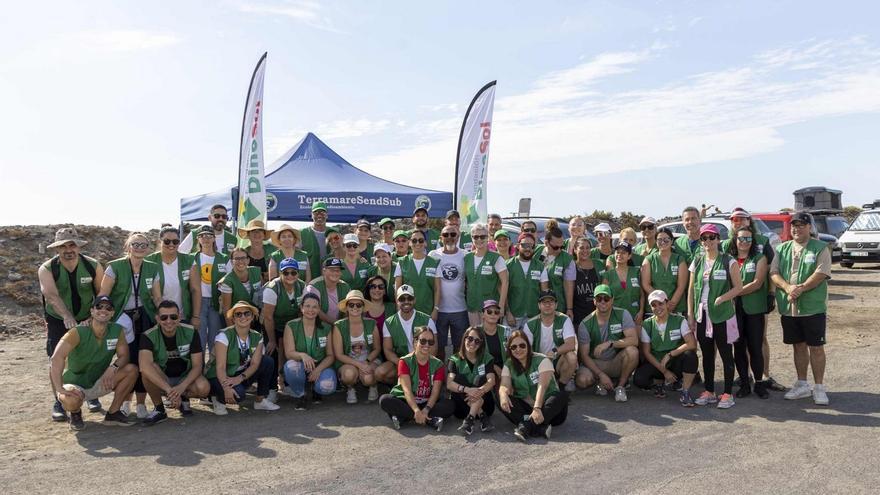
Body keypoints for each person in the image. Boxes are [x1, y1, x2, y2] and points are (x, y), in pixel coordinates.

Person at [39, 227, 105, 421]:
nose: (68, 249)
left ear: (78, 246)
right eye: (63, 246)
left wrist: (93, 317)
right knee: (56, 359)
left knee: (89, 357)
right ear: (56, 249)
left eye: (72, 244)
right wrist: (67, 316)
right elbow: (50, 294)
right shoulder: (47, 268)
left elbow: (101, 293)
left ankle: (90, 396)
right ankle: (59, 401)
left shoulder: (93, 265)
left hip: (87, 317)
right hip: (58, 319)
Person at [770, 211, 832, 405]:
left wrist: (800, 289)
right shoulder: (782, 248)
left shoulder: (820, 248)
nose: (796, 229)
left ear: (809, 227)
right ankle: (802, 384)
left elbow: (821, 273)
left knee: (816, 347)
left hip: (812, 308)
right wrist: (788, 287)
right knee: (798, 346)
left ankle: (819, 387)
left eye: (801, 225)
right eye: (794, 225)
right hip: (790, 308)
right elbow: (774, 272)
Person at [50, 296, 139, 430]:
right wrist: (59, 388)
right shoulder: (77, 331)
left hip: (100, 380)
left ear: (113, 313)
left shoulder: (117, 330)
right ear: (92, 311)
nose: (103, 310)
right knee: (71, 401)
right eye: (99, 307)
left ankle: (113, 414)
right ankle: (75, 413)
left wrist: (113, 367)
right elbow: (56, 358)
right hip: (75, 383)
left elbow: (124, 355)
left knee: (131, 370)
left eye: (108, 308)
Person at [99, 232, 160, 419]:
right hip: (121, 318)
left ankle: (141, 403)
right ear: (128, 247)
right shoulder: (114, 267)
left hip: (144, 316)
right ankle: (125, 402)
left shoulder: (152, 267)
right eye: (135, 244)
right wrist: (102, 318)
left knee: (144, 360)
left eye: (144, 244)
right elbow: (103, 295)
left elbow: (157, 297)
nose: (140, 248)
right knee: (127, 359)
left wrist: (163, 314)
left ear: (149, 248)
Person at [721, 208, 784, 391]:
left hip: (756, 303)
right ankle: (744, 378)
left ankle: (763, 377)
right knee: (738, 344)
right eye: (735, 220)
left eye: (742, 219)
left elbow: (772, 271)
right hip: (733, 307)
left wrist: (771, 294)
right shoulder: (726, 246)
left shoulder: (763, 243)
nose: (738, 222)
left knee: (759, 340)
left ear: (749, 221)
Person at [688, 224, 743, 409]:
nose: (708, 242)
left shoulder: (729, 261)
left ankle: (727, 393)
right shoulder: (697, 260)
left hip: (722, 315)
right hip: (702, 315)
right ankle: (709, 391)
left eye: (711, 238)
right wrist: (690, 313)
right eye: (704, 238)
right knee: (707, 354)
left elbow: (738, 287)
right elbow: (690, 290)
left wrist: (723, 298)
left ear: (718, 239)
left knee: (727, 354)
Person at [138, 301, 211, 425]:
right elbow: (144, 367)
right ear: (157, 319)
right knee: (148, 371)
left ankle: (183, 398)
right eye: (163, 317)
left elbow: (198, 366)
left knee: (204, 388)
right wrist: (169, 390)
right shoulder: (148, 335)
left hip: (184, 379)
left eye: (173, 317)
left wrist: (180, 388)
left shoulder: (191, 331)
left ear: (180, 316)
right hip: (163, 379)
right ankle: (159, 409)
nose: (168, 321)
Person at [206, 301, 279, 415]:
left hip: (238, 374)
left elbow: (255, 364)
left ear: (252, 316)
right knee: (239, 395)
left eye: (247, 313)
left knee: (267, 361)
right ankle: (216, 397)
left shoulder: (257, 336)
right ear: (233, 318)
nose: (243, 317)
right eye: (238, 314)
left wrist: (240, 378)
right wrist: (226, 388)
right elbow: (220, 367)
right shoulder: (224, 336)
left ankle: (260, 400)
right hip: (219, 375)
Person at [498, 330, 568, 443]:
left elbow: (542, 386)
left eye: (522, 345)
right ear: (510, 350)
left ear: (528, 346)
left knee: (562, 395)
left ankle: (526, 426)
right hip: (527, 408)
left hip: (549, 411)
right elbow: (505, 385)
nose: (518, 349)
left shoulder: (542, 359)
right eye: (514, 347)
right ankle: (540, 429)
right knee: (501, 396)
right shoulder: (509, 364)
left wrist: (537, 408)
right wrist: (503, 394)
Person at [378, 327, 453, 431]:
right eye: (423, 341)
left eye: (430, 342)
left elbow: (435, 392)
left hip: (427, 403)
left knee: (450, 405)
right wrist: (416, 410)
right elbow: (407, 390)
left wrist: (426, 409)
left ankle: (404, 418)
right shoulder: (404, 361)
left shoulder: (438, 364)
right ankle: (430, 420)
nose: (426, 345)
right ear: (415, 341)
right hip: (406, 400)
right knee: (385, 400)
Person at [633, 290, 699, 406]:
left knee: (691, 356)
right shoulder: (647, 324)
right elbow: (647, 352)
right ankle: (659, 383)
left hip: (674, 361)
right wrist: (664, 371)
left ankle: (685, 392)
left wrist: (670, 354)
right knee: (639, 379)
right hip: (657, 364)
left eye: (660, 303)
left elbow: (692, 343)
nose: (657, 307)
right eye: (653, 305)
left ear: (667, 303)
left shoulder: (679, 320)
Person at [575, 284, 639, 401]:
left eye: (606, 298)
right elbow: (584, 356)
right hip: (596, 363)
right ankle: (600, 382)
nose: (603, 302)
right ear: (594, 301)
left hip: (615, 361)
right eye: (599, 299)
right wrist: (600, 374)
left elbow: (634, 340)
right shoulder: (585, 323)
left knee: (633, 351)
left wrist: (611, 343)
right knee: (582, 381)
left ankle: (621, 386)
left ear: (612, 299)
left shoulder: (623, 314)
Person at [728, 226, 770, 399]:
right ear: (735, 240)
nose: (744, 242)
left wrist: (732, 293)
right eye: (741, 238)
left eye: (748, 239)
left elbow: (757, 283)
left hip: (754, 310)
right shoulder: (729, 260)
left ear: (752, 241)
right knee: (738, 348)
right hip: (733, 310)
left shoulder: (759, 258)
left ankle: (759, 384)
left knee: (755, 347)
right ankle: (745, 383)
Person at [283, 293, 337, 410]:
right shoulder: (291, 325)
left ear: (319, 309)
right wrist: (303, 355)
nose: (311, 310)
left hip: (320, 366)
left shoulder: (326, 328)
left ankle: (317, 390)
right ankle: (301, 394)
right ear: (301, 308)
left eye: (314, 307)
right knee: (291, 366)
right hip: (301, 365)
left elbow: (330, 356)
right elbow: (289, 353)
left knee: (327, 386)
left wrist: (318, 370)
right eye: (307, 306)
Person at [380, 285, 438, 384]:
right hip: (401, 361)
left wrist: (420, 364)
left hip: (423, 360)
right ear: (397, 301)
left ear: (414, 300)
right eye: (402, 299)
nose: (406, 301)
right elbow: (388, 350)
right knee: (380, 373)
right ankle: (401, 385)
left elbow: (434, 348)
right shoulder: (389, 322)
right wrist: (402, 363)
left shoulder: (427, 319)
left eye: (409, 298)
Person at [333, 290, 381, 404]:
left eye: (359, 305)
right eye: (351, 304)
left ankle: (373, 385)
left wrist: (367, 361)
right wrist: (359, 364)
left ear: (363, 307)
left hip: (369, 360)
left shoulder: (371, 323)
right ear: (347, 307)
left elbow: (377, 348)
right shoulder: (339, 326)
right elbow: (339, 354)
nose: (355, 307)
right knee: (349, 375)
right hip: (348, 362)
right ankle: (350, 388)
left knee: (368, 379)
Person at [189, 225, 230, 357]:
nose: (206, 238)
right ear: (198, 239)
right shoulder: (191, 258)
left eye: (209, 235)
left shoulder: (224, 258)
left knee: (215, 338)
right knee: (199, 339)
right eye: (202, 236)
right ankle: (198, 371)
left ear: (214, 238)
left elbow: (230, 280)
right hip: (197, 303)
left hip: (216, 303)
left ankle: (213, 371)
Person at [524, 291, 578, 391]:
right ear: (539, 305)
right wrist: (540, 358)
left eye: (551, 302)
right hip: (538, 361)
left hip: (557, 359)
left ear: (556, 305)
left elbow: (570, 344)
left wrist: (554, 351)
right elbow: (527, 350)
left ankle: (561, 387)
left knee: (572, 357)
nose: (548, 305)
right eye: (544, 302)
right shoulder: (530, 324)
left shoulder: (564, 319)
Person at [446, 327, 496, 435]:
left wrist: (480, 391)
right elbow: (449, 384)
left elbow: (491, 381)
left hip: (486, 406)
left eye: (477, 341)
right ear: (464, 339)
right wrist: (468, 390)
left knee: (481, 379)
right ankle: (481, 417)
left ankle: (470, 420)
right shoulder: (454, 359)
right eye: (470, 339)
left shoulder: (487, 358)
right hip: (461, 408)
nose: (472, 343)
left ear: (481, 344)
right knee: (459, 379)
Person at [430, 225, 469, 361]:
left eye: (453, 234)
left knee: (460, 347)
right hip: (439, 310)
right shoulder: (433, 255)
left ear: (458, 237)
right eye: (446, 235)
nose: (449, 238)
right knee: (438, 347)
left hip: (460, 309)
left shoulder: (465, 255)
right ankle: (440, 376)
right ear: (441, 238)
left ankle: (455, 374)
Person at [147, 226, 197, 324]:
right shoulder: (149, 261)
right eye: (167, 241)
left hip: (182, 316)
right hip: (157, 317)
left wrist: (196, 316)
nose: (171, 244)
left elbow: (195, 290)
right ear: (159, 241)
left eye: (175, 241)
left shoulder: (188, 260)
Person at [464, 223, 509, 326]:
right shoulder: (467, 257)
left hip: (491, 309)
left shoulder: (496, 258)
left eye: (482, 236)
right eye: (476, 237)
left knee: (489, 336)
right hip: (472, 306)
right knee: (476, 337)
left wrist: (501, 306)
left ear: (488, 237)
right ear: (472, 238)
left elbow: (505, 282)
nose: (479, 239)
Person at [505, 233, 549, 329]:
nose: (528, 248)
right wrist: (508, 312)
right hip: (512, 316)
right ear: (517, 245)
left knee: (531, 344)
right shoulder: (508, 265)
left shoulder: (540, 266)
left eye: (531, 246)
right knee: (509, 343)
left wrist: (542, 314)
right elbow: (503, 291)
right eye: (524, 245)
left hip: (533, 316)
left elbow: (544, 293)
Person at [641, 227, 688, 316]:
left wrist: (670, 305)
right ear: (656, 241)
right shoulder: (649, 260)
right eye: (659, 240)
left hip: (676, 308)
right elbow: (646, 284)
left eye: (666, 240)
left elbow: (681, 286)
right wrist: (661, 302)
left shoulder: (679, 260)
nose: (663, 242)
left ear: (671, 241)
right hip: (655, 309)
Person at [394, 229, 440, 317]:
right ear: (409, 243)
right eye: (414, 240)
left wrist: (436, 309)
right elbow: (397, 288)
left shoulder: (434, 262)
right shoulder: (402, 262)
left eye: (421, 240)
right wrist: (398, 308)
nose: (417, 243)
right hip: (406, 311)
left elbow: (437, 289)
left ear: (425, 243)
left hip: (428, 311)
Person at [602, 241, 645, 324]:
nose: (619, 255)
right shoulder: (608, 275)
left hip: (635, 316)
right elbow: (604, 298)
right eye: (617, 252)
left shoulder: (637, 272)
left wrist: (641, 312)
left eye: (623, 253)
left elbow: (642, 295)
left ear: (629, 256)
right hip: (614, 317)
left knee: (635, 337)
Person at [218, 247, 262, 326]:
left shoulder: (257, 272)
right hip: (236, 320)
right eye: (237, 258)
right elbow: (226, 310)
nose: (240, 261)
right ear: (231, 262)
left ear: (248, 260)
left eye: (243, 258)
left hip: (255, 317)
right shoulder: (226, 282)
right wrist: (233, 332)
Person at [541, 226, 576, 319]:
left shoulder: (567, 259)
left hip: (556, 307)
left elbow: (569, 286)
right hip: (534, 307)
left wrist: (569, 309)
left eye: (562, 246)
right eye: (556, 247)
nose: (559, 250)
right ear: (546, 242)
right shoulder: (535, 252)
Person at [306, 258, 352, 325]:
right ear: (324, 271)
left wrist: (342, 324)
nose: (335, 273)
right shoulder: (313, 286)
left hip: (340, 325)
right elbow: (315, 309)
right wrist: (335, 323)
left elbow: (348, 308)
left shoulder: (345, 287)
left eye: (338, 270)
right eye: (332, 270)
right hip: (318, 326)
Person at [475, 300, 512, 378]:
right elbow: (474, 355)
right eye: (489, 312)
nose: (493, 314)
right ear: (482, 315)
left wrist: (505, 370)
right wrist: (494, 367)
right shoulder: (476, 332)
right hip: (483, 368)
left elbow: (511, 354)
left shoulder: (507, 331)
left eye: (496, 312)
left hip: (505, 368)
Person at [572, 237, 600, 328]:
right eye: (581, 248)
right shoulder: (571, 267)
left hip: (597, 315)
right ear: (575, 250)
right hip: (578, 316)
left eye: (588, 248)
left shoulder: (599, 265)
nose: (585, 250)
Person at [300, 201, 330, 280]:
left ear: (327, 215)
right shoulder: (302, 233)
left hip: (331, 277)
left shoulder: (334, 232)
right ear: (311, 215)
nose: (319, 215)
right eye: (316, 212)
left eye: (322, 212)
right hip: (309, 278)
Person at [239, 219, 276, 284]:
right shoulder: (242, 253)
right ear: (248, 235)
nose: (257, 233)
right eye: (253, 231)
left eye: (260, 230)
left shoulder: (273, 249)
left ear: (264, 235)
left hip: (271, 288)